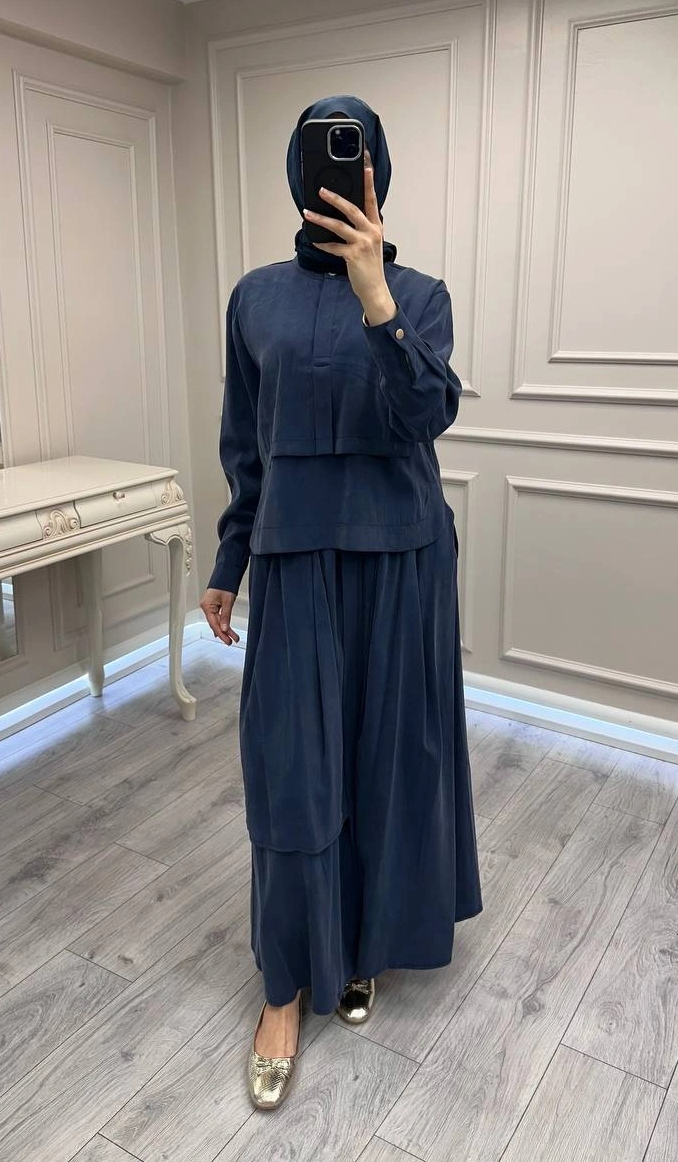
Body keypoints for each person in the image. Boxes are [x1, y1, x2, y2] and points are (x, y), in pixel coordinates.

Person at [200, 95, 483, 1110]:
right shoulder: (255, 299)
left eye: (353, 151)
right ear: (296, 170)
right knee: (291, 774)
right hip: (293, 556)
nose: (336, 167)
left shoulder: (421, 294)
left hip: (402, 559)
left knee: (387, 764)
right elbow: (248, 443)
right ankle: (284, 985)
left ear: (379, 170)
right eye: (321, 152)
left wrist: (375, 294)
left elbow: (424, 416)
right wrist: (229, 558)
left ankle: (361, 946)